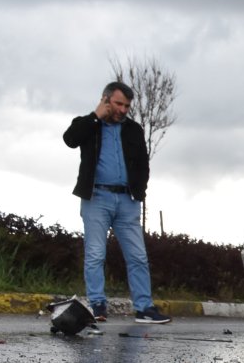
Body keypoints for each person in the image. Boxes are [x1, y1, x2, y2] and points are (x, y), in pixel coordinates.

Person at [63, 81, 171, 324]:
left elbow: (143, 164)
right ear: (105, 100)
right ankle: (97, 306)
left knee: (138, 256)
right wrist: (95, 116)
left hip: (127, 200)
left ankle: (144, 308)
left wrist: (139, 191)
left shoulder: (133, 129)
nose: (123, 110)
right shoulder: (88, 124)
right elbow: (70, 139)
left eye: (127, 106)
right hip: (96, 199)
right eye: (118, 104)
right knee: (95, 254)